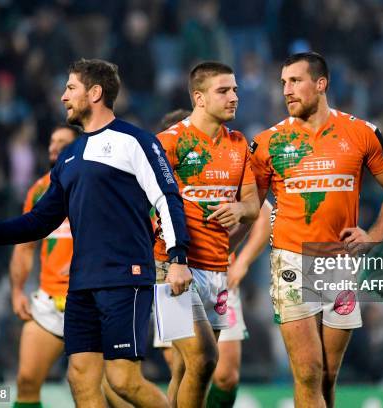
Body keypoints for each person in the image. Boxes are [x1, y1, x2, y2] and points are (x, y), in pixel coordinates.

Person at [0, 58, 192, 408]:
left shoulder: (134, 140)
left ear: (95, 93)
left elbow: (167, 198)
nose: (63, 97)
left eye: (71, 88)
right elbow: (41, 219)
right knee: (79, 375)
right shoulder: (70, 157)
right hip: (82, 284)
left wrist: (179, 257)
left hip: (125, 277)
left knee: (122, 381)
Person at [249, 52, 383, 407]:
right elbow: (251, 206)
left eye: (295, 81)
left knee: (328, 374)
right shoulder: (267, 143)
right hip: (290, 260)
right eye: (283, 82)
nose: (286, 90)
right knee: (307, 371)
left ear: (321, 84)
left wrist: (376, 234)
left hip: (340, 264)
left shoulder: (361, 132)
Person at [153, 61, 260, 408]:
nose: (234, 98)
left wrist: (241, 210)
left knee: (189, 368)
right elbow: (145, 206)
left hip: (217, 270)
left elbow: (254, 206)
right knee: (204, 360)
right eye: (224, 91)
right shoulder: (168, 143)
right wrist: (170, 259)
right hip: (175, 268)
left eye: (235, 90)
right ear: (199, 98)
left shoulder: (239, 144)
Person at [10, 124, 78, 407]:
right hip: (49, 301)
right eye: (51, 141)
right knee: (26, 381)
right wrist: (17, 291)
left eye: (62, 142)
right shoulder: (39, 190)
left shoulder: (99, 184)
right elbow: (25, 247)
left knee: (93, 386)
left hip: (90, 299)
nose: (53, 147)